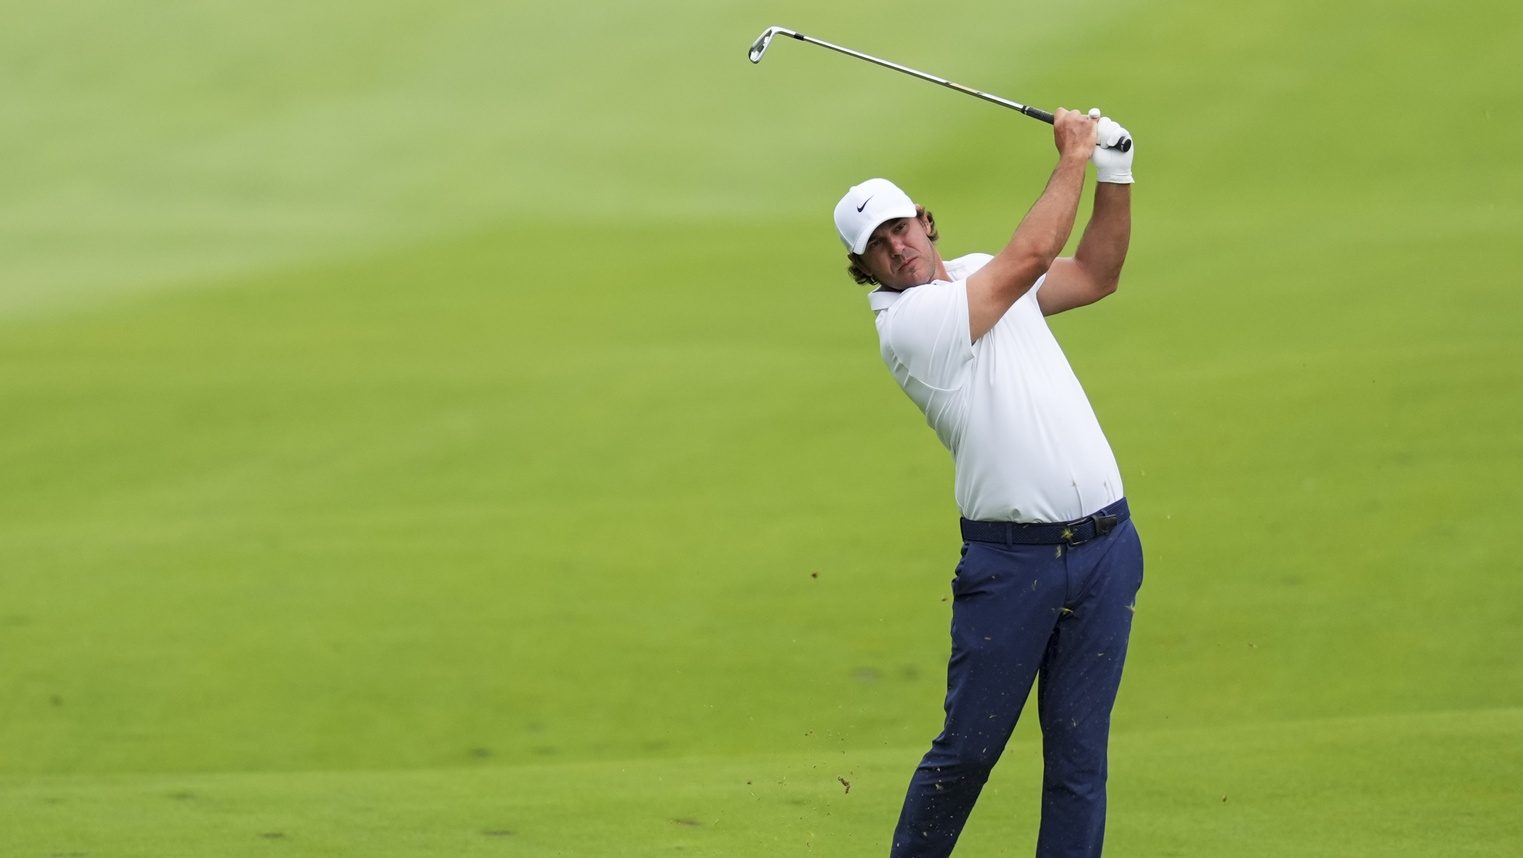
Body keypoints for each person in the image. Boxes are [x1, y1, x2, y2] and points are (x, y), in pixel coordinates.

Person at [833, 109, 1141, 858]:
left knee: (1077, 763)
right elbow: (1034, 250)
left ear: (925, 221)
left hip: (1106, 548)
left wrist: (1115, 170)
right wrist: (1072, 152)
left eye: (900, 227)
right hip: (1013, 567)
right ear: (864, 270)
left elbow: (1096, 274)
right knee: (966, 754)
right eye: (876, 246)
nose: (895, 247)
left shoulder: (976, 275)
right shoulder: (910, 325)